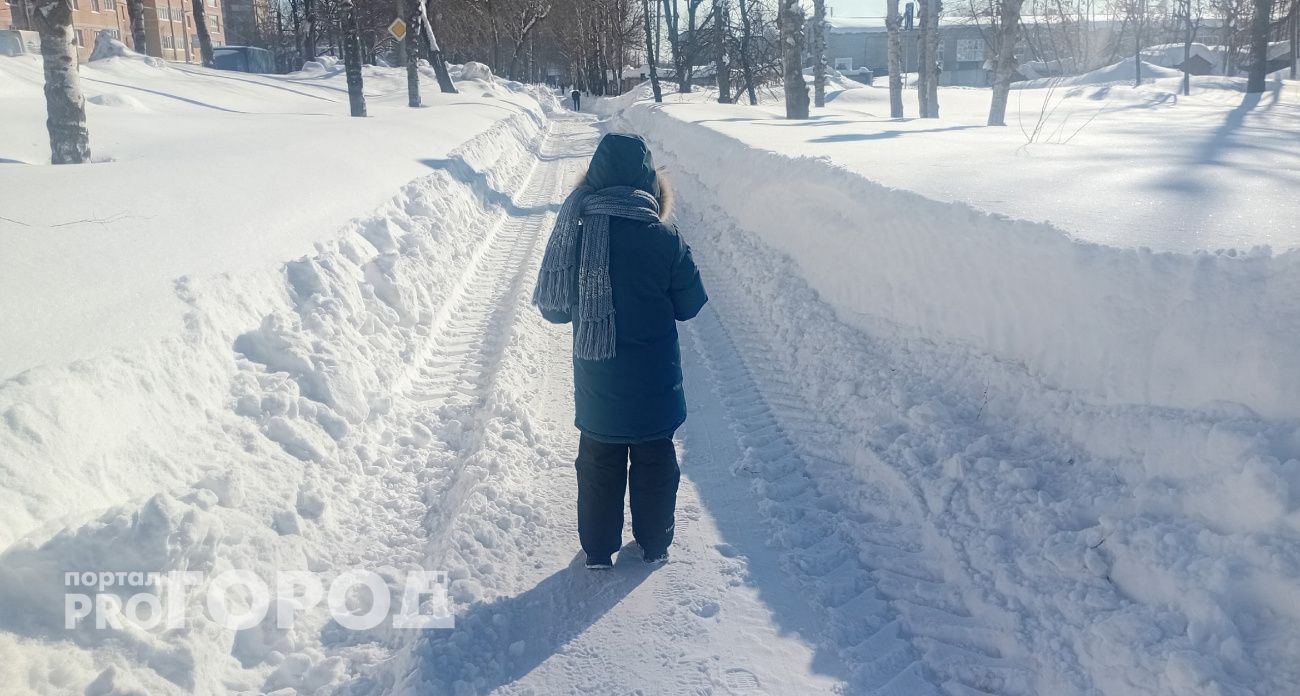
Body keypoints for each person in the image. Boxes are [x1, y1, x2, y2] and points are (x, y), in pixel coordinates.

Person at [533, 133, 708, 570]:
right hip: (656, 385)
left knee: (598, 465)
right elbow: (690, 305)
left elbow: (554, 313)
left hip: (598, 384)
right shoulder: (664, 238)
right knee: (655, 462)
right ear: (651, 185)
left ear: (592, 181)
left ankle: (597, 551)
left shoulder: (574, 236)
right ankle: (654, 544)